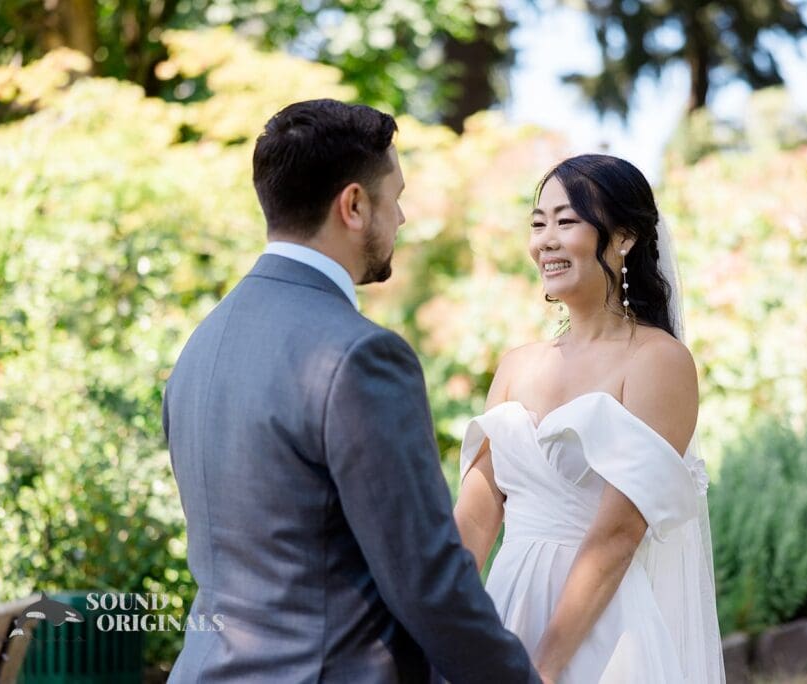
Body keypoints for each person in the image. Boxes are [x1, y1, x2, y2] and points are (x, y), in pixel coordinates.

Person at [163, 99, 539, 684]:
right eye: (397, 196)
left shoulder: (201, 345)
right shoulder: (360, 355)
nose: (404, 218)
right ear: (355, 205)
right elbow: (429, 582)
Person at [454, 154, 726, 683]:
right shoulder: (516, 365)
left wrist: (543, 668)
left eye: (566, 220)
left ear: (623, 237)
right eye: (538, 223)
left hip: (599, 634)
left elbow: (618, 533)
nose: (546, 240)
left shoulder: (657, 361)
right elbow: (475, 518)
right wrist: (443, 631)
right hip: (503, 613)